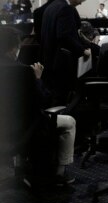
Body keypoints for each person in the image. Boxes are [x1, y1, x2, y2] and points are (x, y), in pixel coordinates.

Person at [0, 27, 77, 185]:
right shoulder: (24, 72)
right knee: (69, 122)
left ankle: (20, 167)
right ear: (15, 48)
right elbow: (43, 100)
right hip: (26, 128)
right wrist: (37, 78)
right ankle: (59, 173)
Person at [41, 0, 91, 104]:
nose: (81, 3)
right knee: (62, 101)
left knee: (54, 99)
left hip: (48, 61)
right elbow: (64, 36)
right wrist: (83, 50)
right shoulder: (66, 8)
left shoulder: (50, 7)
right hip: (61, 64)